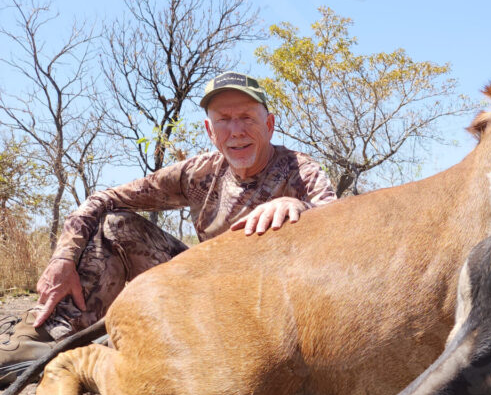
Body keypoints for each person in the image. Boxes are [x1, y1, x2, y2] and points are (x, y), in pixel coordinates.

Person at [0, 71, 336, 377]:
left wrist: (301, 206)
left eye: (247, 117)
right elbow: (102, 199)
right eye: (224, 120)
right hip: (204, 293)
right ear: (210, 130)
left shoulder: (299, 170)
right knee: (116, 225)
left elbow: (341, 230)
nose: (236, 131)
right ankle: (50, 336)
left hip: (271, 308)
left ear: (269, 124)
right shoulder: (197, 172)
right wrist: (63, 258)